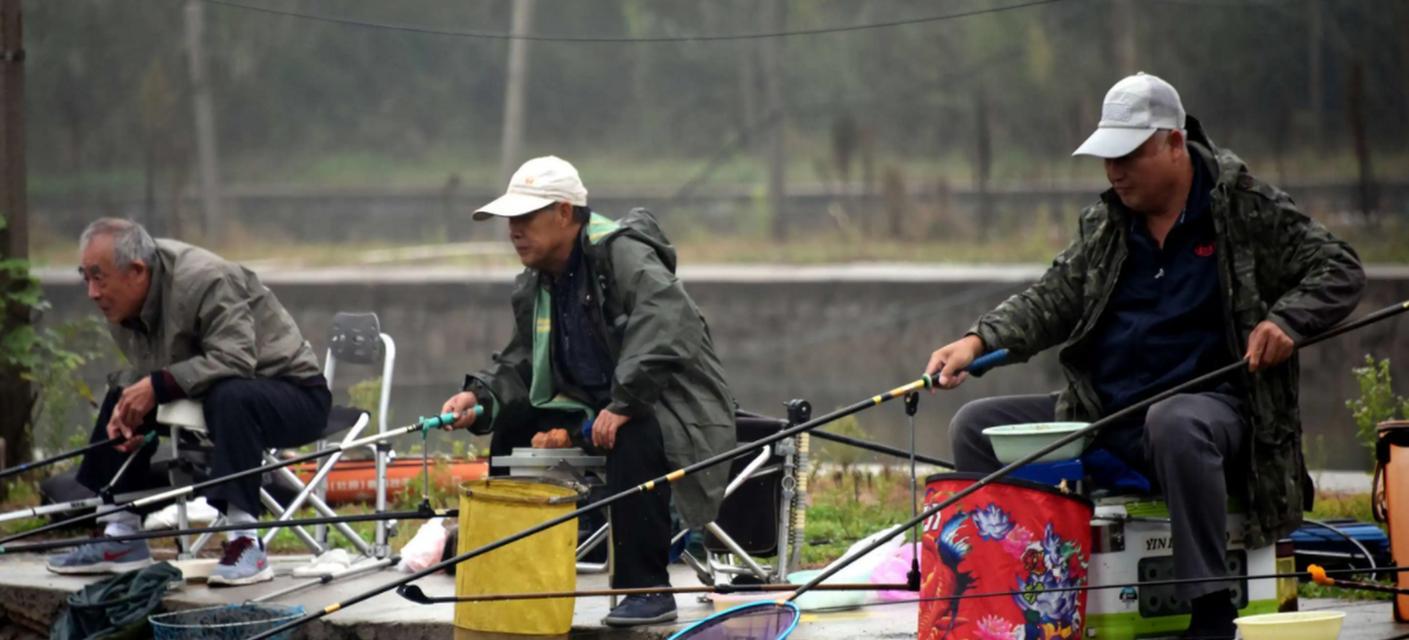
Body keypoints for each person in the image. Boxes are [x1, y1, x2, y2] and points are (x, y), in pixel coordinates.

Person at [925, 73, 1364, 639]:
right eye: (1107, 156)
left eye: (1128, 155)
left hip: (1216, 417)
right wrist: (977, 341)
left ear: (1174, 143)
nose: (1114, 171)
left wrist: (1287, 322)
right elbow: (1052, 297)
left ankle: (1210, 613)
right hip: (1106, 414)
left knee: (1176, 420)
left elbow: (1341, 268)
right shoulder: (1108, 223)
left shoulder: (1247, 207)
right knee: (976, 426)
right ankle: (1010, 600)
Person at [439, 156, 737, 627]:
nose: (513, 230)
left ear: (563, 212)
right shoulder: (538, 283)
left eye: (524, 218)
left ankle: (647, 590)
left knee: (630, 431)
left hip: (670, 406)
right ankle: (517, 571)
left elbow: (668, 321)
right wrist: (481, 398)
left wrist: (624, 402)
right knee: (512, 427)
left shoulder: (623, 254)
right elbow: (521, 363)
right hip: (591, 406)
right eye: (509, 220)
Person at [47, 218, 330, 586]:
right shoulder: (124, 303)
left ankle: (246, 541)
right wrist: (133, 415)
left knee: (229, 395)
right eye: (85, 277)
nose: (92, 292)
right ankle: (120, 532)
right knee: (125, 393)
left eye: (99, 278)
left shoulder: (205, 279)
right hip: (210, 398)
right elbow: (153, 373)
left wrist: (157, 387)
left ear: (136, 271)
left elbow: (237, 360)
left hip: (293, 394)